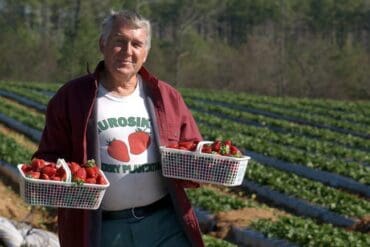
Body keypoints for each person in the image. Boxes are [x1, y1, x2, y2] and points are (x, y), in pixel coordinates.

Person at [33, 10, 205, 247]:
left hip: (164, 223)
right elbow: (48, 157)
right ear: (102, 44)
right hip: (104, 229)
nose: (127, 51)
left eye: (136, 44)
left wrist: (207, 166)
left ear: (146, 53)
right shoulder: (72, 98)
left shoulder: (165, 97)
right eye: (119, 42)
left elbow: (193, 149)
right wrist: (56, 178)